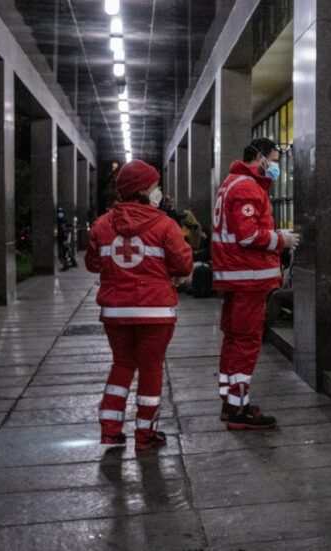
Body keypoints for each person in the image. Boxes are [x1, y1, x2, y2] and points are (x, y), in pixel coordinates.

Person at [86, 160, 193, 451]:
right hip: (155, 312)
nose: (158, 191)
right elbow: (184, 264)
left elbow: (93, 264)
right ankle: (145, 433)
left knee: (122, 364)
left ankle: (110, 429)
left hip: (115, 311)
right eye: (155, 186)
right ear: (145, 190)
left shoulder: (102, 224)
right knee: (150, 368)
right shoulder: (164, 225)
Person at [211, 137, 299, 430]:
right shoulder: (247, 187)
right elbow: (248, 237)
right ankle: (238, 411)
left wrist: (272, 233)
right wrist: (281, 240)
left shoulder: (230, 183)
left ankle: (231, 401)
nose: (275, 166)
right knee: (246, 342)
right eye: (274, 160)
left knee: (233, 339)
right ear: (260, 157)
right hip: (247, 277)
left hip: (234, 276)